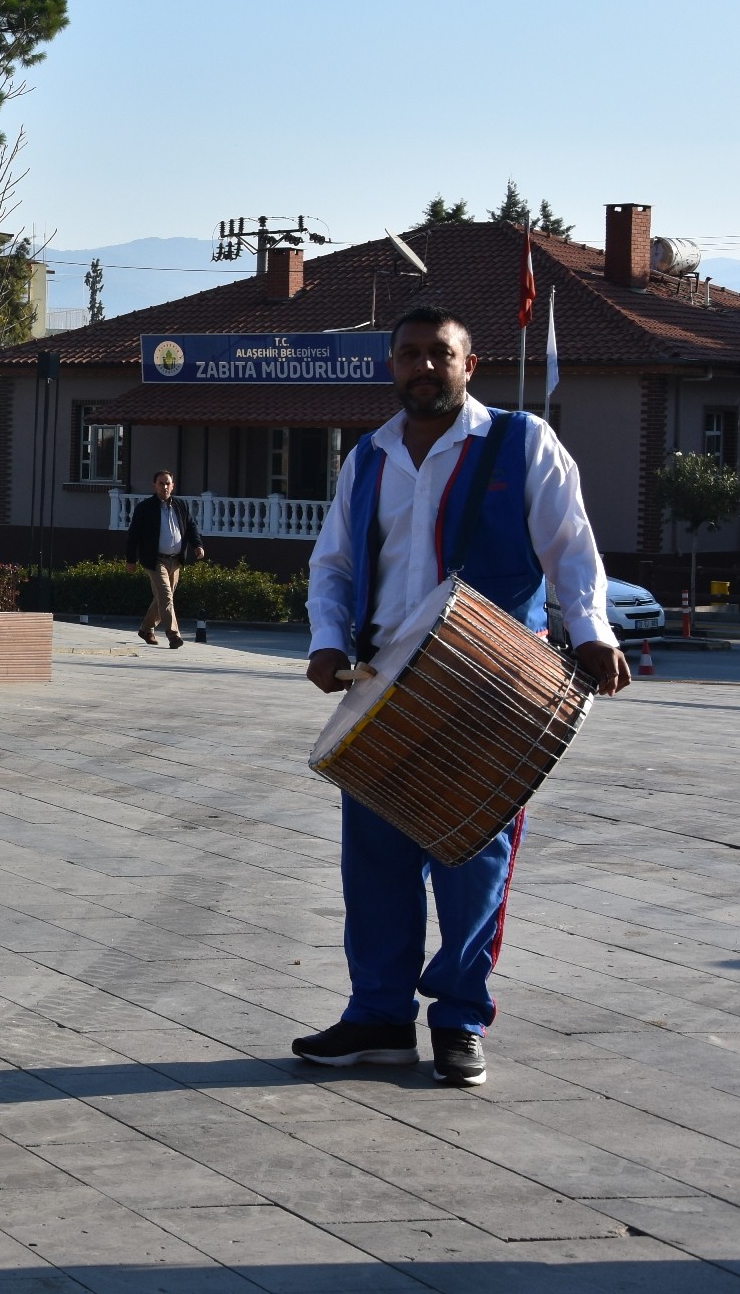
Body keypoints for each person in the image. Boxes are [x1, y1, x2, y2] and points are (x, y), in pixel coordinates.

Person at [296, 307, 630, 1088]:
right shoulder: (369, 456)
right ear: (391, 366)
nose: (423, 367)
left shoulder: (523, 443)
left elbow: (572, 550)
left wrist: (592, 631)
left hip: (490, 686)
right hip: (384, 689)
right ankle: (378, 1017)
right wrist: (326, 639)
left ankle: (459, 1020)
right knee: (374, 862)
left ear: (468, 365)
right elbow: (333, 566)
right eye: (409, 355)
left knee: (474, 858)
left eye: (439, 354)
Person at [125, 469, 204, 648]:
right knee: (166, 596)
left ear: (173, 485)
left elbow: (191, 527)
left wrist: (197, 545)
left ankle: (146, 628)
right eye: (161, 483)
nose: (165, 486)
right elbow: (133, 535)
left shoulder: (181, 505)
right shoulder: (145, 508)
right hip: (155, 560)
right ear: (155, 486)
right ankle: (173, 634)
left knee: (162, 598)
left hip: (175, 560)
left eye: (168, 483)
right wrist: (131, 559)